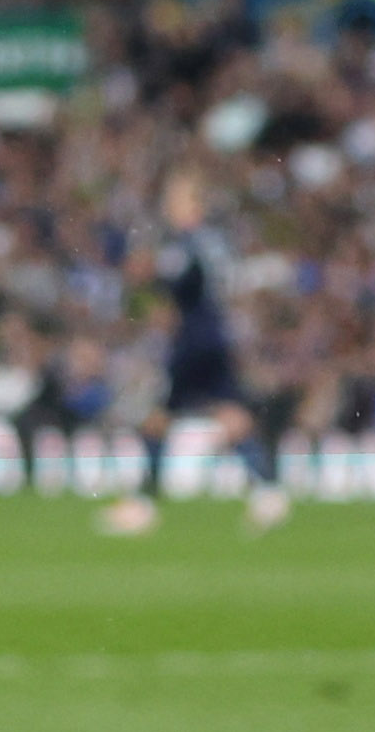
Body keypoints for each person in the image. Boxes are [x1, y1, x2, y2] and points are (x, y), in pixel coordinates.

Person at [97, 174, 289, 536]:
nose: (171, 207)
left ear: (193, 205)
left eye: (178, 199)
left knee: (157, 418)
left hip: (194, 339)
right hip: (215, 334)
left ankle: (143, 504)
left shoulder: (188, 242)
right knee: (230, 414)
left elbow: (176, 277)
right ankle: (268, 492)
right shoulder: (213, 241)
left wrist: (146, 273)